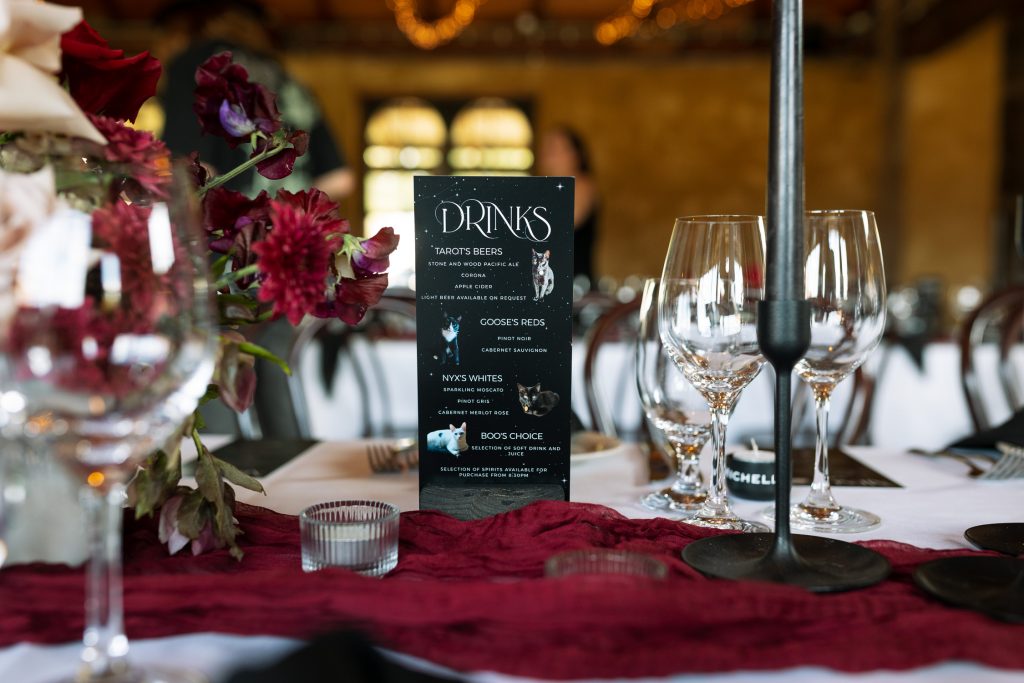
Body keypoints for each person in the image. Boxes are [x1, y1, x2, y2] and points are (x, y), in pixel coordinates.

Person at [158, 0, 353, 201]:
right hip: (289, 228)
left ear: (182, 27)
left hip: (230, 229)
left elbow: (188, 172)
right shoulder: (290, 80)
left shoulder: (194, 65)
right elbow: (339, 179)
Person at [538, 126, 599, 287]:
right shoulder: (546, 189)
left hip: (575, 282)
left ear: (576, 155)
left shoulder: (582, 185)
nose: (546, 153)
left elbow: (560, 228)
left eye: (554, 148)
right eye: (545, 148)